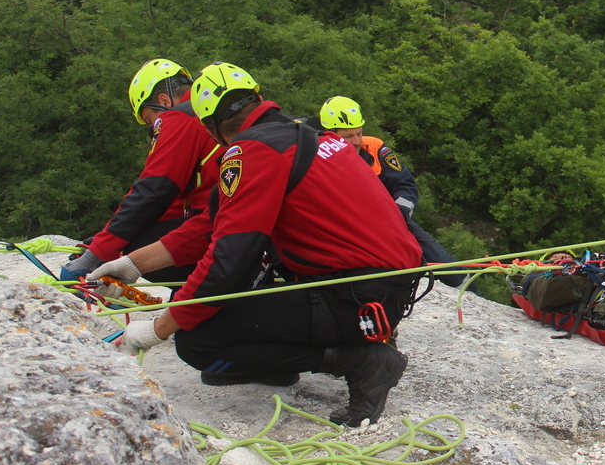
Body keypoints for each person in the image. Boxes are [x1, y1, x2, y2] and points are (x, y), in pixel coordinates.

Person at [97, 62, 423, 427]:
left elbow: (227, 262)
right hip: (381, 287)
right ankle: (284, 361)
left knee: (197, 341)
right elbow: (210, 224)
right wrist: (131, 265)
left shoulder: (253, 152)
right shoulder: (305, 133)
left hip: (353, 297)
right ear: (257, 98)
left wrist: (157, 329)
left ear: (210, 125)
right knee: (211, 323)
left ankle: (361, 363)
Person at [60, 59, 220, 283]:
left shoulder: (179, 117)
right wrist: (105, 241)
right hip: (240, 221)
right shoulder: (216, 109)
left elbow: (154, 191)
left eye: (149, 120)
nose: (154, 129)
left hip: (219, 225)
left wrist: (98, 253)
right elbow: (170, 203)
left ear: (164, 101)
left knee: (140, 244)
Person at [314, 96, 470, 290]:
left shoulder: (375, 148)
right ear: (330, 134)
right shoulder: (317, 158)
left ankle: (467, 288)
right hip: (348, 231)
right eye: (348, 136)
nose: (356, 141)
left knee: (446, 265)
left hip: (390, 222)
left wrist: (398, 214)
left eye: (359, 133)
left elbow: (405, 184)